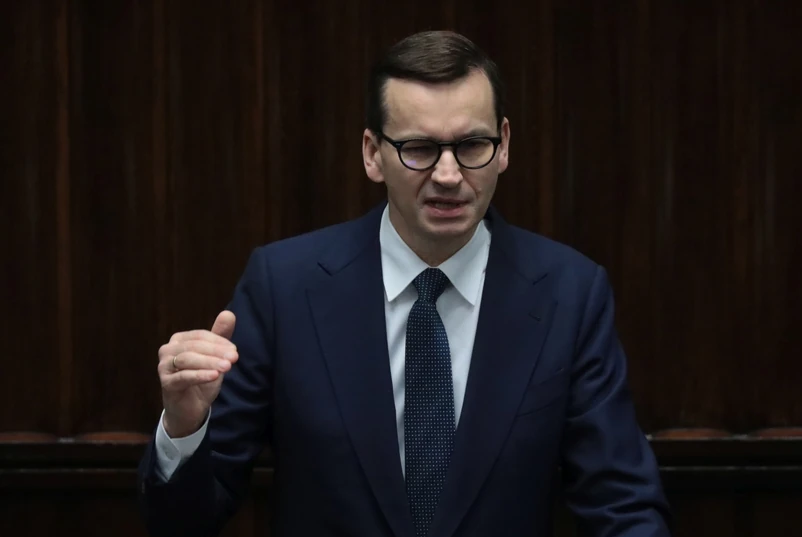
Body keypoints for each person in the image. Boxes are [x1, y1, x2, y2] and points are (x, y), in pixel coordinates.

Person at [137, 30, 672, 537]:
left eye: (472, 145)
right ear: (373, 154)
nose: (448, 175)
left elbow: (621, 504)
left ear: (504, 145)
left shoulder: (569, 294)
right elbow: (184, 523)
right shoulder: (284, 288)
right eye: (418, 148)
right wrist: (185, 426)